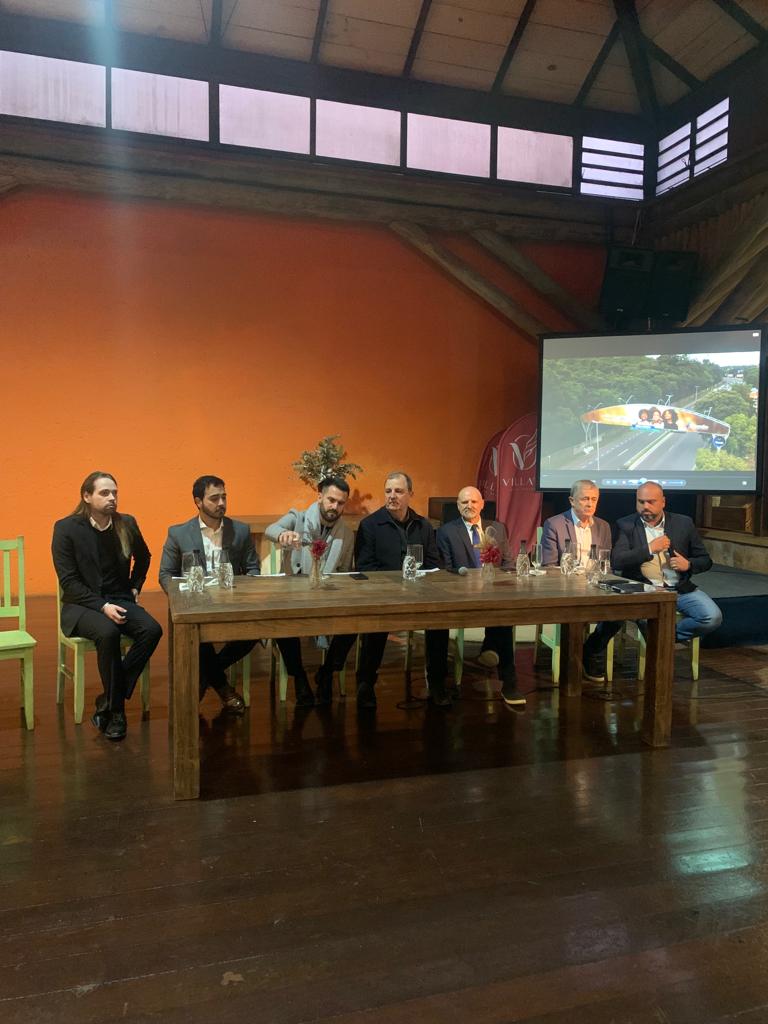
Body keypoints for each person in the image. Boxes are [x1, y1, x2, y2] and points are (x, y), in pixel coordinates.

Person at [52, 471, 162, 741]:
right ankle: (117, 713)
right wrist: (102, 606)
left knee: (152, 630)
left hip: (120, 598)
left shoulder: (126, 523)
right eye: (104, 493)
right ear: (86, 496)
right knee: (108, 632)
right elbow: (69, 582)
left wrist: (135, 586)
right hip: (81, 604)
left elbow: (144, 557)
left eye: (114, 492)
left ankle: (109, 698)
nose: (112, 497)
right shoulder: (66, 528)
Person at [159, 475, 259, 713]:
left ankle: (205, 677)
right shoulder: (179, 533)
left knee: (256, 629)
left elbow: (253, 569)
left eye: (224, 497)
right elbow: (165, 574)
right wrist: (181, 598)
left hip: (232, 602)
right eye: (214, 498)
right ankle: (224, 688)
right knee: (196, 630)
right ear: (198, 501)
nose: (221, 503)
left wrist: (246, 593)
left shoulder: (240, 530)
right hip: (198, 603)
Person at [355, 472, 450, 709]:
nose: (392, 496)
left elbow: (433, 564)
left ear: (410, 494)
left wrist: (420, 585)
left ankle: (437, 683)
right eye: (388, 491)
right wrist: (394, 586)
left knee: (439, 620)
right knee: (375, 623)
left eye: (398, 491)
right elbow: (365, 568)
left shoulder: (423, 525)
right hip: (382, 595)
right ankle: (365, 684)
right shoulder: (370, 525)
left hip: (418, 593)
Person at [264, 477, 357, 707]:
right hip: (293, 593)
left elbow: (344, 572)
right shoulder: (298, 518)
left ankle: (327, 672)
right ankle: (299, 677)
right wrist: (282, 535)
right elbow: (270, 529)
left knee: (354, 622)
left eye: (340, 503)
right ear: (319, 497)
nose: (335, 506)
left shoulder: (346, 534)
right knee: (283, 621)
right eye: (331, 500)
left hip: (327, 595)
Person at [436, 486, 525, 705]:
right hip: (463, 593)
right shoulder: (446, 531)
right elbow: (446, 569)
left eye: (474, 502)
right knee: (502, 620)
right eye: (464, 502)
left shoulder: (497, 528)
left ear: (482, 504)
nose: (469, 506)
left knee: (504, 614)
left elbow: (507, 562)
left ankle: (509, 682)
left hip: (495, 591)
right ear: (458, 506)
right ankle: (491, 652)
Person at [613, 481, 722, 644]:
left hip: (679, 589)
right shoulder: (626, 524)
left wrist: (688, 565)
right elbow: (617, 561)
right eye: (641, 502)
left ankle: (664, 638)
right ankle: (661, 641)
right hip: (645, 591)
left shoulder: (683, 523)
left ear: (663, 502)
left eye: (651, 502)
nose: (645, 506)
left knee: (712, 617)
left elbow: (705, 560)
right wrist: (649, 548)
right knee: (646, 620)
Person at [540, 479, 620, 680]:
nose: (590, 503)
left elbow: (606, 564)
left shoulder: (603, 526)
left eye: (594, 499)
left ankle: (590, 649)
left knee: (620, 611)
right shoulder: (554, 524)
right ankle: (573, 662)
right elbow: (548, 566)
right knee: (576, 610)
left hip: (596, 586)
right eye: (584, 498)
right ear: (572, 500)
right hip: (566, 587)